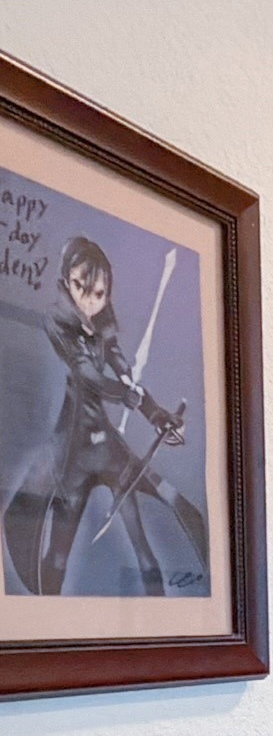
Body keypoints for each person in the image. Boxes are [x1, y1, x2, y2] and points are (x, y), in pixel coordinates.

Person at [2, 235, 201, 596]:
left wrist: (153, 412)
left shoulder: (101, 321)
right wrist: (123, 392)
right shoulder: (57, 321)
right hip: (72, 453)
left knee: (148, 547)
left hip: (106, 445)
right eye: (82, 287)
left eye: (99, 293)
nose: (90, 299)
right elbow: (86, 375)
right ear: (66, 280)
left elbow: (119, 361)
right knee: (57, 558)